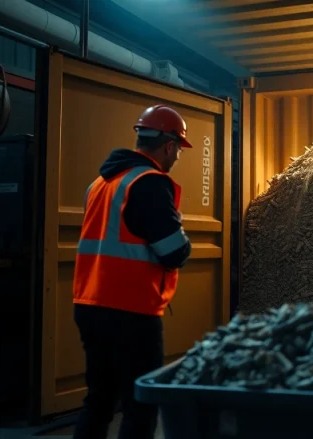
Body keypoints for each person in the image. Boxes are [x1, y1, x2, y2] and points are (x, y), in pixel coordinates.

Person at [71, 104, 193, 439]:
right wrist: (182, 234)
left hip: (89, 304)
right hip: (130, 310)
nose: (177, 157)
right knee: (141, 404)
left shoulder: (101, 183)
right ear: (168, 145)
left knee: (99, 401)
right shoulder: (149, 183)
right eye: (178, 150)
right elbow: (173, 252)